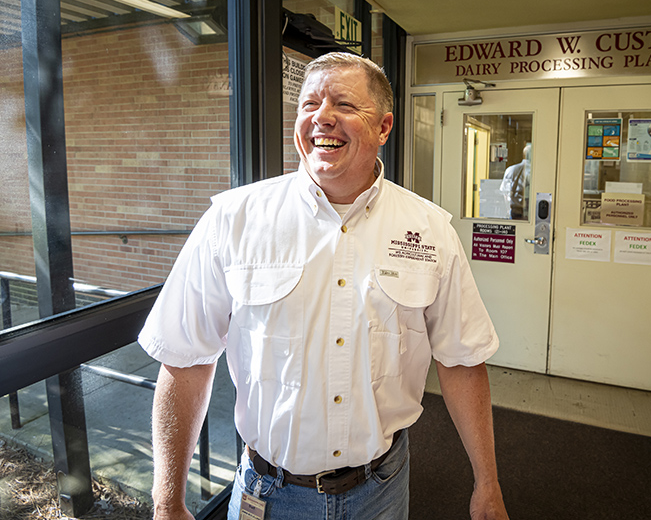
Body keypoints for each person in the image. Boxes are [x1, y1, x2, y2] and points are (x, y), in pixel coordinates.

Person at [138, 52, 509, 520]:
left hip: (382, 489)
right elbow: (185, 359)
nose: (322, 118)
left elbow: (462, 360)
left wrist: (488, 483)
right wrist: (167, 501)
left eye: (344, 105)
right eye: (309, 103)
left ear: (384, 127)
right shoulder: (232, 221)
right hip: (266, 494)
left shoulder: (430, 230)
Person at [499, 144, 531, 220]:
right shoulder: (534, 172)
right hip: (527, 213)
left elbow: (504, 192)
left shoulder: (510, 170)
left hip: (512, 210)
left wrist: (507, 209)